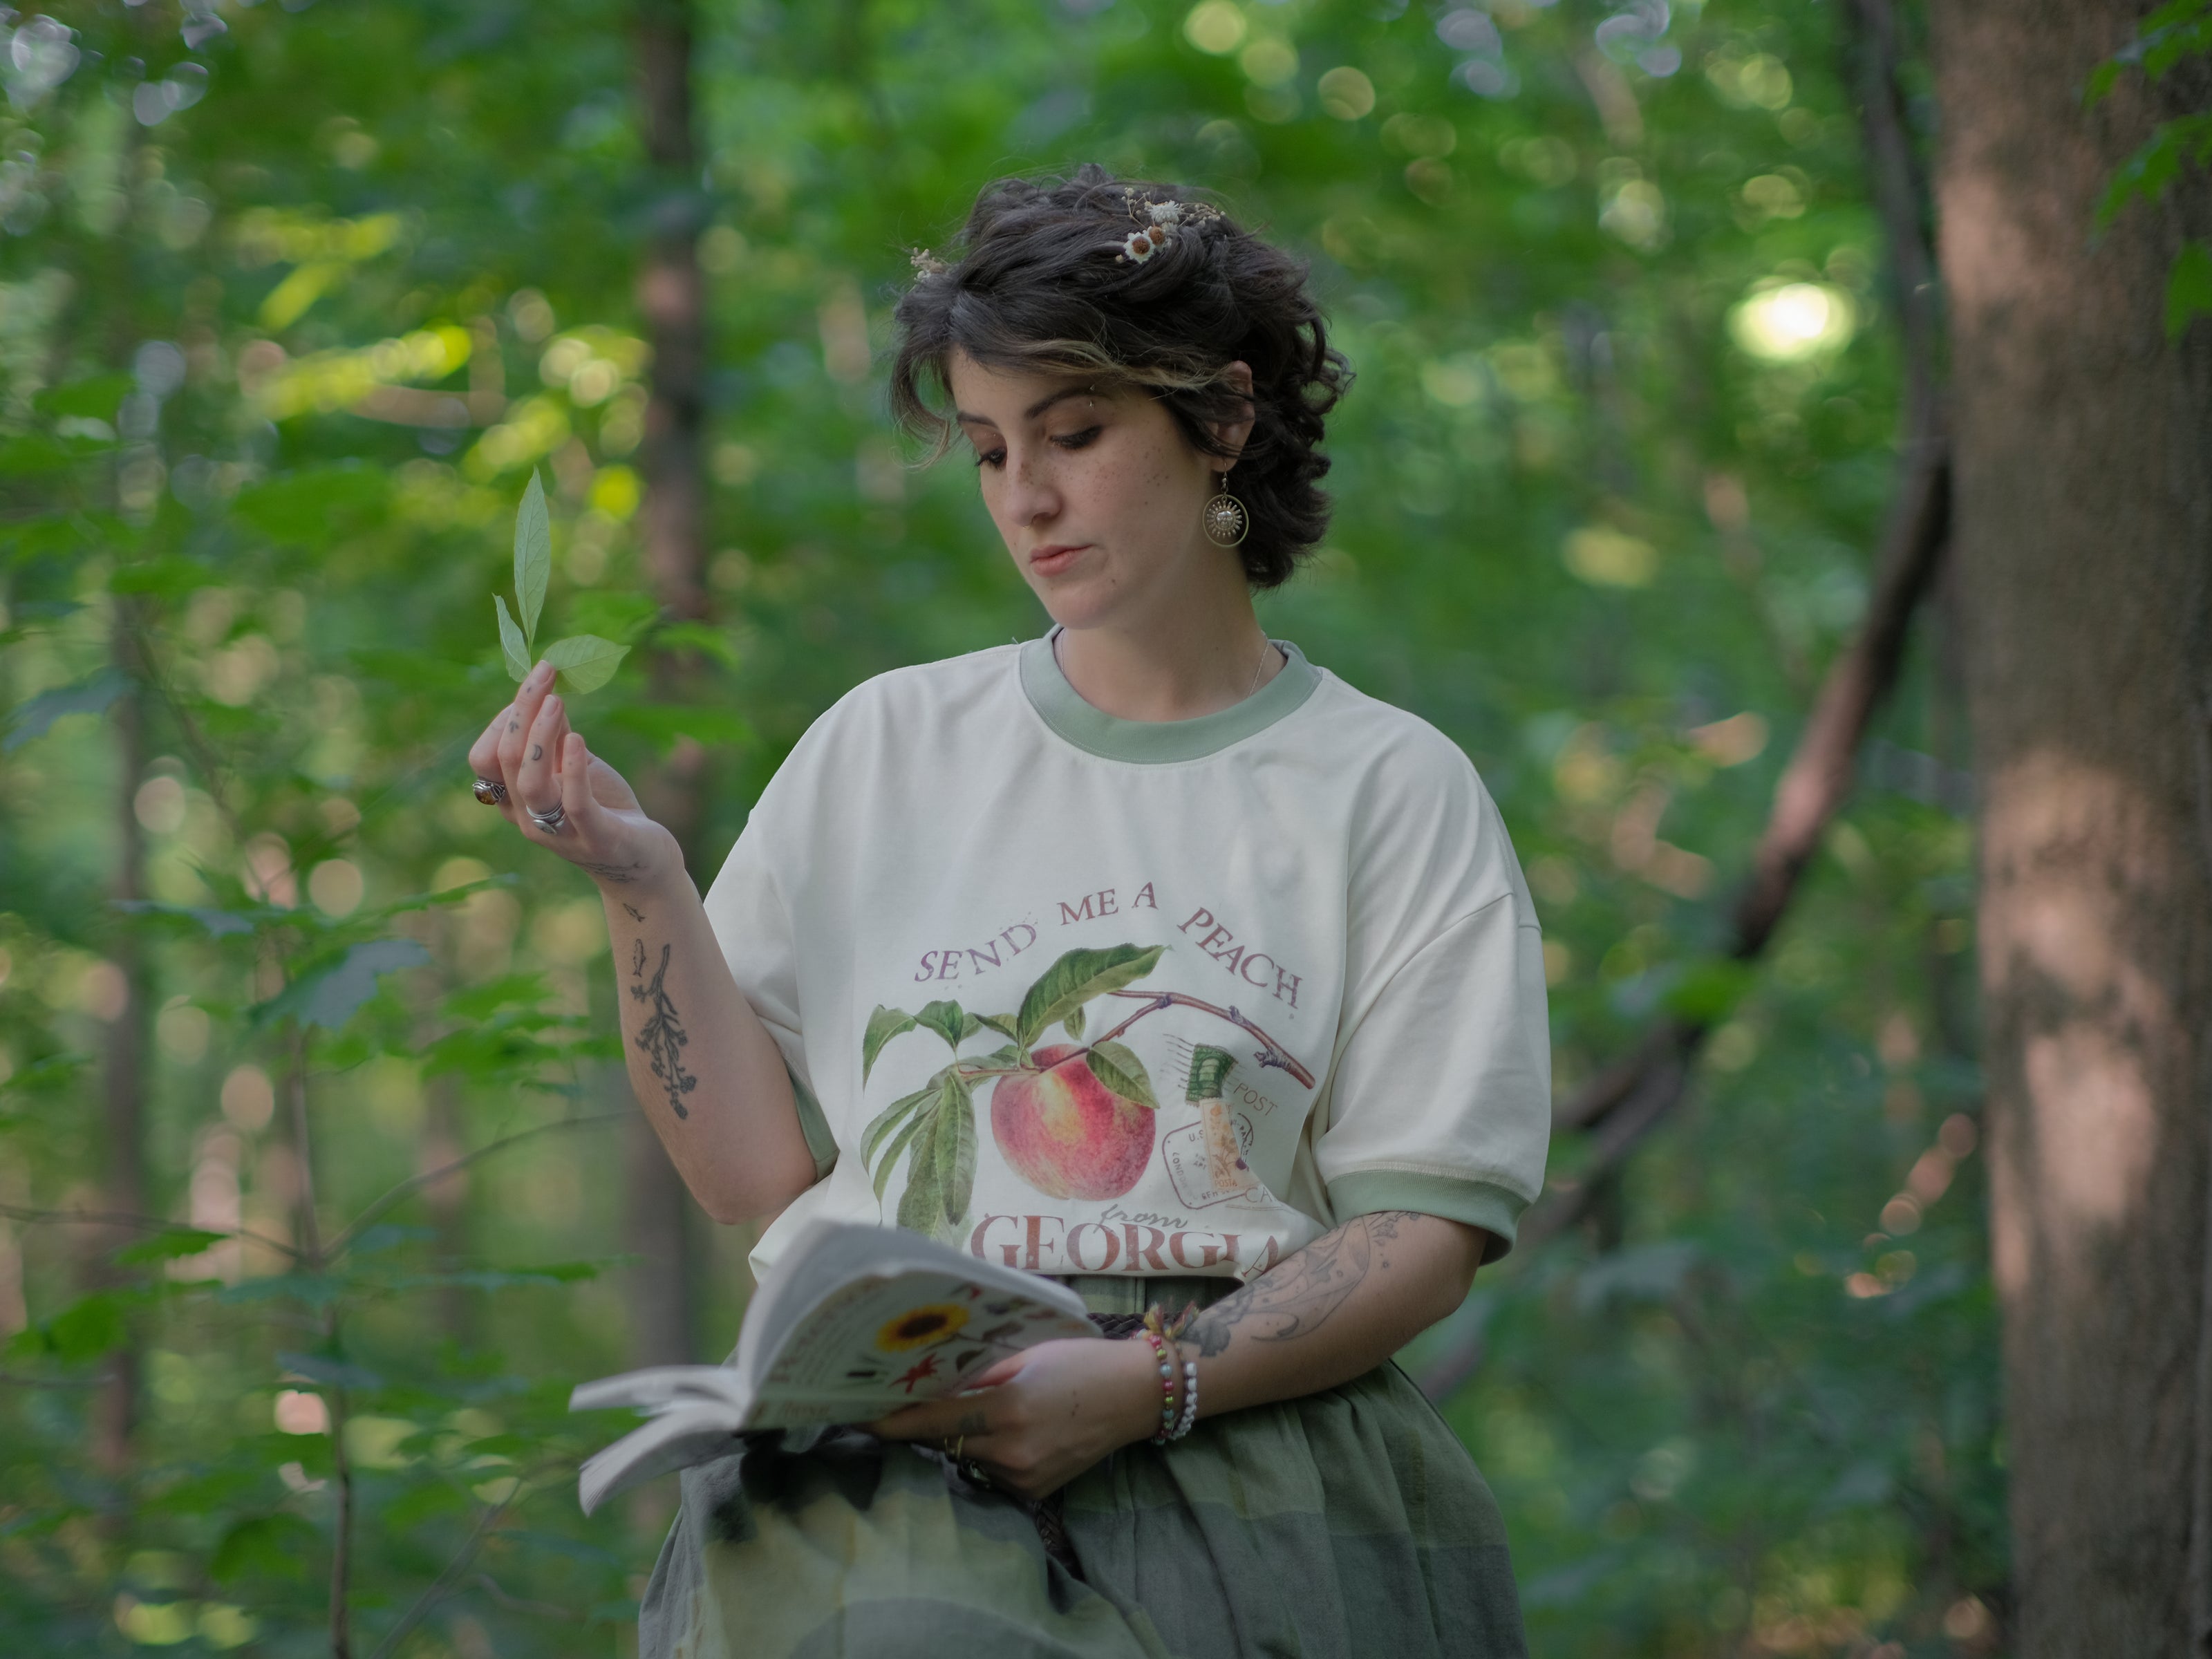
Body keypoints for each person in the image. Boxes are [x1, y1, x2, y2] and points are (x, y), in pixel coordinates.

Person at [466, 166, 1550, 1659]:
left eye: (1075, 434)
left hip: (1236, 1434)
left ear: (1222, 420)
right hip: (882, 1450)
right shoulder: (883, 745)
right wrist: (639, 880)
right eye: (986, 451)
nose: (1024, 498)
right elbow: (747, 1176)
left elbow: (1424, 1227)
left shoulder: (1386, 785)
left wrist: (1151, 1384)